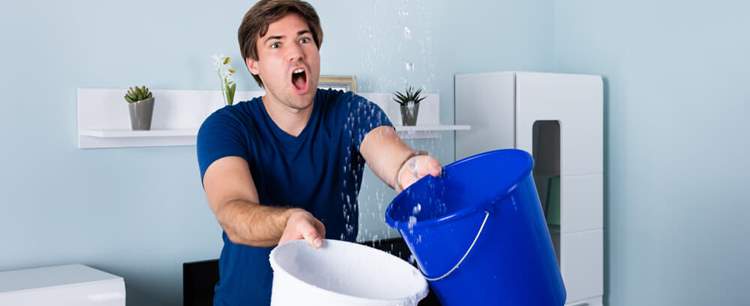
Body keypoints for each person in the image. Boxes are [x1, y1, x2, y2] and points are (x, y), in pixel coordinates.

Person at [196, 0, 442, 305]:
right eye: (276, 44)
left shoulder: (351, 110)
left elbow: (389, 152)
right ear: (253, 64)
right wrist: (289, 220)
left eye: (304, 39)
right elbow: (232, 212)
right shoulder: (226, 126)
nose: (296, 52)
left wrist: (408, 168)